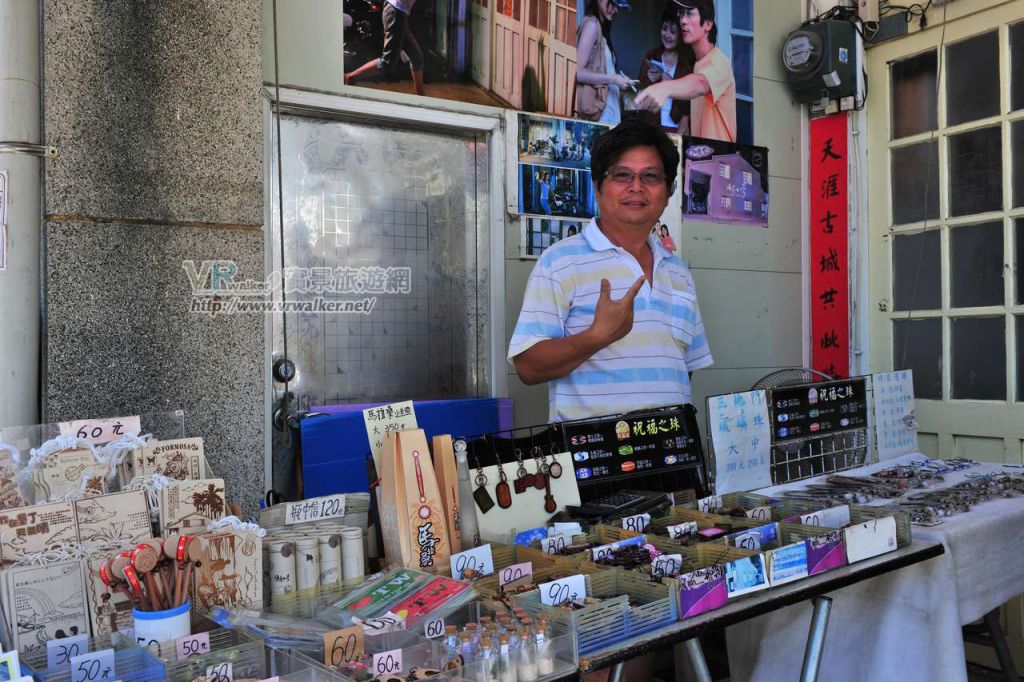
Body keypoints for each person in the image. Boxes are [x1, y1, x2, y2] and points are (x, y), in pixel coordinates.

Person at [508, 120, 713, 421]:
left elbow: (683, 368)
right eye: (622, 175)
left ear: (668, 191)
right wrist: (597, 336)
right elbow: (528, 368)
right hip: (593, 448)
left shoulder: (679, 273)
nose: (636, 187)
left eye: (651, 176)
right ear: (597, 187)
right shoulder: (559, 263)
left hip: (672, 445)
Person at [634, 0, 736, 142]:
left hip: (719, 153)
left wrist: (664, 88)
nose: (682, 20)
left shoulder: (718, 62)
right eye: (681, 13)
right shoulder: (696, 63)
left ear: (708, 24)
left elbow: (701, 83)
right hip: (698, 151)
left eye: (689, 14)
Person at [344, 0, 424, 97]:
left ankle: (420, 96)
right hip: (395, 12)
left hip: (399, 13)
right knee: (387, 63)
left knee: (416, 56)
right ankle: (350, 77)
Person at [575, 0, 636, 124]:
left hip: (610, 114)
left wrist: (620, 81)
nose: (616, 10)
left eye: (618, 6)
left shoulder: (602, 27)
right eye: (612, 3)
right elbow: (578, 73)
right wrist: (613, 79)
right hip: (600, 116)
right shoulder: (592, 25)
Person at [637, 6, 695, 134]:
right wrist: (648, 79)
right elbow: (637, 93)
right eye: (664, 29)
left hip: (676, 125)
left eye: (673, 32)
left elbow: (690, 101)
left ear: (681, 35)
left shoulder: (686, 62)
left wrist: (672, 84)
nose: (667, 35)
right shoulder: (651, 55)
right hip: (652, 125)